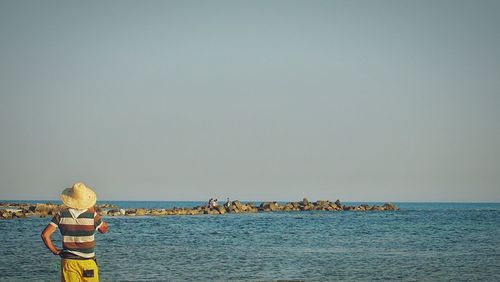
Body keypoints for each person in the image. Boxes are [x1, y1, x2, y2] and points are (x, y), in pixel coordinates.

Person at [41, 182, 108, 282]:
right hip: (87, 262)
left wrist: (55, 251)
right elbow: (103, 229)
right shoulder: (92, 216)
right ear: (86, 200)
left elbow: (45, 235)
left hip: (69, 262)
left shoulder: (60, 215)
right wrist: (93, 209)